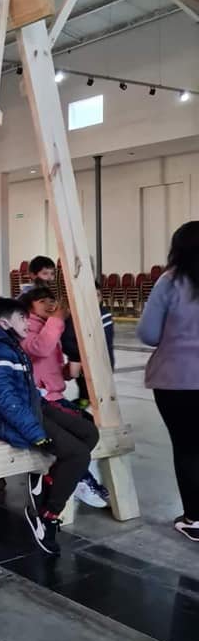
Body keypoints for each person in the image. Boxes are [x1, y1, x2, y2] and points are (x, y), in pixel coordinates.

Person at [0, 297, 99, 555]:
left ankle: (48, 481)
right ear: (4, 323)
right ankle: (47, 515)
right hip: (11, 419)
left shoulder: (14, 347)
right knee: (78, 454)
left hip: (33, 407)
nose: (27, 322)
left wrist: (53, 406)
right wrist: (35, 431)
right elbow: (4, 398)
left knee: (89, 432)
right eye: (21, 318)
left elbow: (25, 389)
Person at [138, 221, 199, 542]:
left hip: (177, 380)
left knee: (188, 448)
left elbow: (148, 333)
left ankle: (195, 519)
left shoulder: (170, 281)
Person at [21, 286, 108, 508]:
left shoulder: (48, 326)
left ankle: (68, 476)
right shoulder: (28, 327)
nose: (50, 305)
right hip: (43, 400)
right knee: (81, 432)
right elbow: (40, 349)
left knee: (87, 426)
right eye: (42, 301)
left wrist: (66, 372)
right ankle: (78, 479)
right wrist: (58, 319)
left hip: (54, 395)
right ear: (30, 307)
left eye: (52, 301)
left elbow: (47, 365)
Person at [61, 279, 115, 407]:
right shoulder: (73, 316)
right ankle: (82, 403)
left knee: (98, 393)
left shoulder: (103, 315)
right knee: (84, 387)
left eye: (98, 295)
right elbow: (67, 339)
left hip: (100, 363)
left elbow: (103, 342)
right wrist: (76, 357)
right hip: (80, 362)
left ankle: (88, 407)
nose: (95, 299)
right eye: (90, 296)